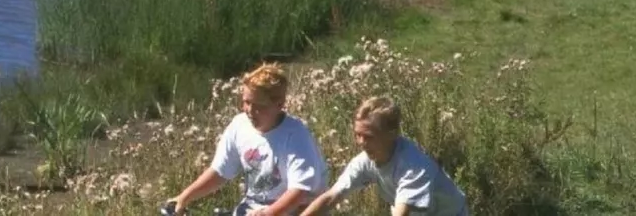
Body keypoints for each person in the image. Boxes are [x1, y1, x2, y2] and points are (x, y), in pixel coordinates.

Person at [166, 62, 327, 215]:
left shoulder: (296, 135)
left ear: (279, 104)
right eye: (246, 102)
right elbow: (220, 172)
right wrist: (184, 197)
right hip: (251, 208)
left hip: (294, 210)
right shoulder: (239, 125)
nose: (250, 110)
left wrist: (269, 213)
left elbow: (300, 191)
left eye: (259, 106)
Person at [297, 96, 468, 216]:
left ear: (392, 134)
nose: (361, 142)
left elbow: (403, 213)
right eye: (357, 134)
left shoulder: (413, 166)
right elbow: (331, 197)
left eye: (369, 136)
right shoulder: (365, 161)